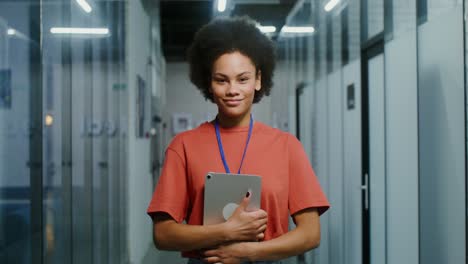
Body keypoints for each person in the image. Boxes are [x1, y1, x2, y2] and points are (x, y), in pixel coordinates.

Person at [147, 16, 329, 264]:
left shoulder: (287, 146)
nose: (232, 89)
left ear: (258, 80)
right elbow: (163, 234)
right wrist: (226, 232)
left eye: (243, 79)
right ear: (209, 84)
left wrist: (246, 252)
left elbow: (310, 234)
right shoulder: (184, 146)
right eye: (221, 80)